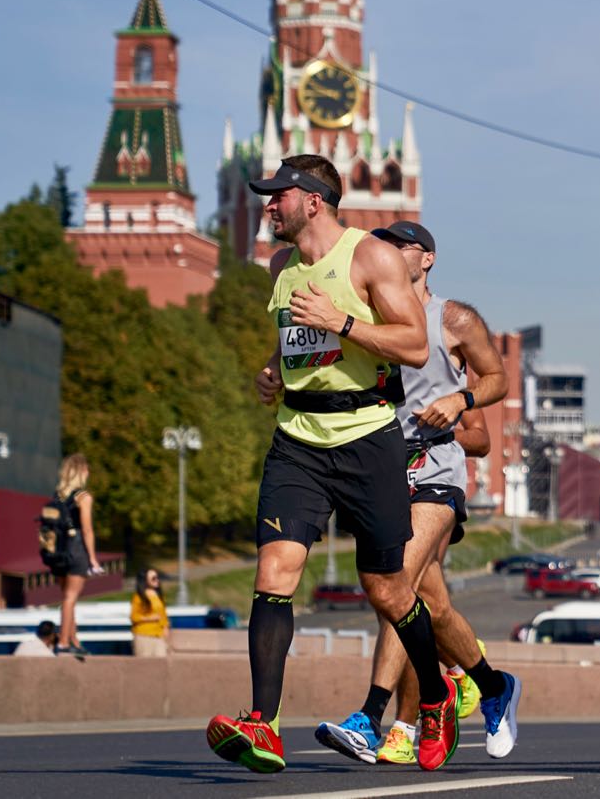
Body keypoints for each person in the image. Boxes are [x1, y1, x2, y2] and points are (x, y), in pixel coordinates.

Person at [206, 155, 455, 776]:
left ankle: (436, 695)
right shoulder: (281, 266)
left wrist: (342, 320)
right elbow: (298, 336)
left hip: (367, 435)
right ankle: (262, 724)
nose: (267, 207)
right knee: (276, 566)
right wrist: (274, 369)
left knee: (388, 589)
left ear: (312, 200)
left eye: (276, 197)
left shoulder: (371, 257)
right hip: (297, 438)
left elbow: (416, 344)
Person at [315, 221, 520, 766]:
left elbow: (499, 378)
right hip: (381, 468)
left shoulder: (452, 318)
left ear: (426, 258)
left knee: (394, 583)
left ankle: (373, 716)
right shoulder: (369, 318)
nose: (383, 253)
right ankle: (491, 683)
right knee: (430, 604)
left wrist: (461, 401)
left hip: (435, 469)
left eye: (397, 246)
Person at [40, 454, 101, 658]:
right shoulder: (83, 497)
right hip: (75, 550)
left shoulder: (58, 496)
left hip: (57, 552)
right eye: (87, 469)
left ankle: (73, 640)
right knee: (70, 598)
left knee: (67, 598)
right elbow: (87, 530)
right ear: (82, 471)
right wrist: (92, 558)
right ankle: (64, 642)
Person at [130, 568, 169, 658]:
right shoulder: (138, 597)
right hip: (144, 635)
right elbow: (133, 617)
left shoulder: (157, 595)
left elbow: (163, 614)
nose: (157, 580)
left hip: (158, 636)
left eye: (157, 578)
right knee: (145, 666)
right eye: (153, 578)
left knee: (161, 663)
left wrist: (165, 627)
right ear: (145, 580)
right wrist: (150, 618)